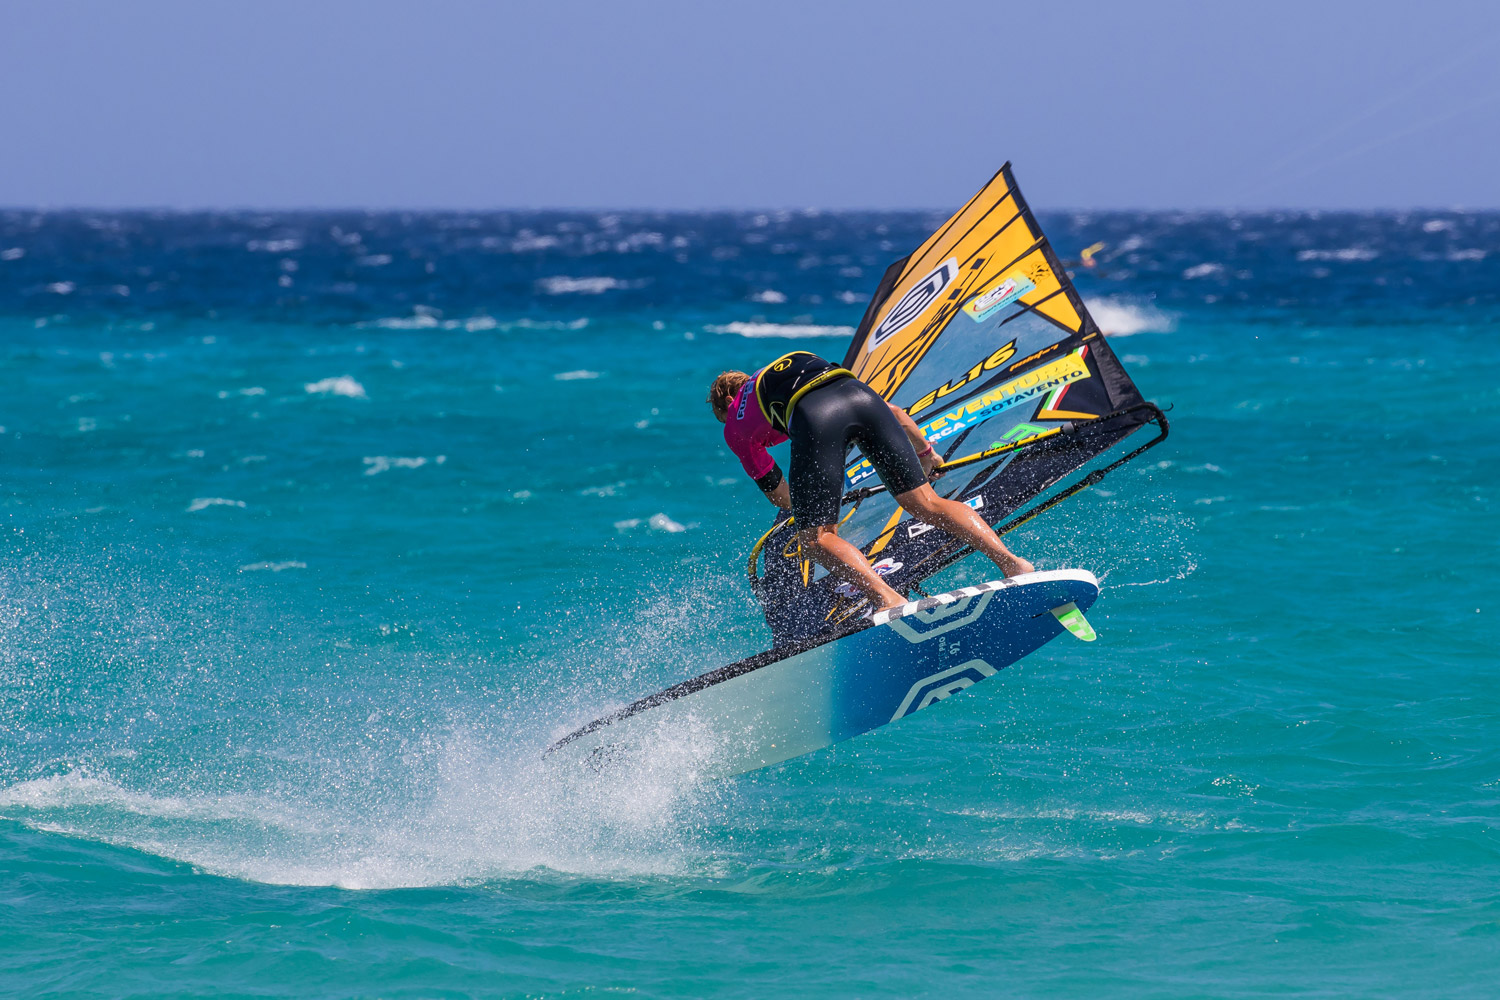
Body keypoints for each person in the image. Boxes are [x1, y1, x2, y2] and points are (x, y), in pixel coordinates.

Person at [709, 350, 1033, 611]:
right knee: (927, 503)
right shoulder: (791, 365)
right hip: (862, 397)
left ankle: (887, 599)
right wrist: (928, 455)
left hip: (815, 417)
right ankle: (1015, 565)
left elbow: (779, 496)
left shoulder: (734, 423)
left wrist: (812, 508)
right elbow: (896, 413)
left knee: (816, 540)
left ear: (726, 405)